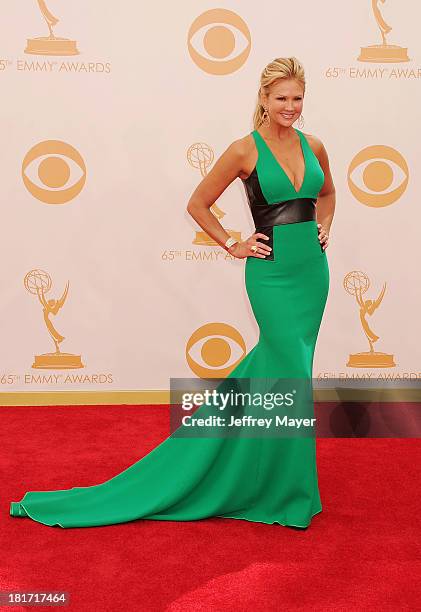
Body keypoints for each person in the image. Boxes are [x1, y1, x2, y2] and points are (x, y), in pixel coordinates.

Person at [10, 56, 335, 529]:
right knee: (286, 371)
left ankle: (275, 480)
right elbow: (198, 204)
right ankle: (275, 486)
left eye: (297, 98)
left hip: (312, 273)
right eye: (281, 97)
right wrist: (232, 243)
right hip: (271, 273)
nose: (290, 106)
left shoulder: (316, 145)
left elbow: (326, 195)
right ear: (263, 99)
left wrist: (325, 225)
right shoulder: (244, 150)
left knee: (287, 373)